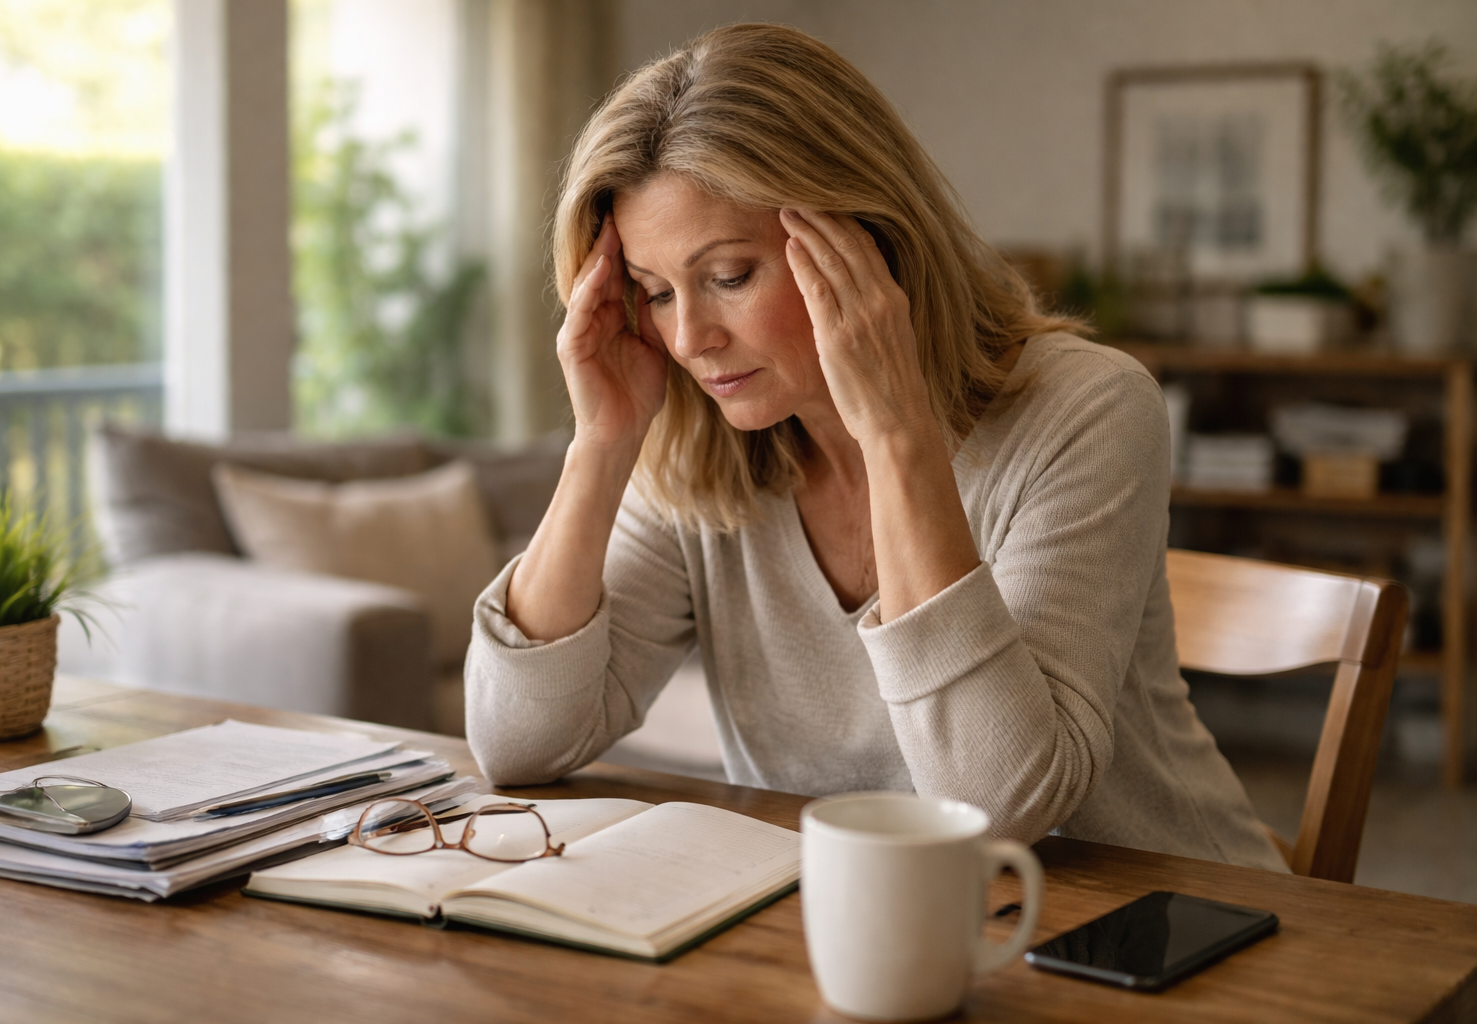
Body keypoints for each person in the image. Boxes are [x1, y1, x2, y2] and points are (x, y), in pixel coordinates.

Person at [464, 23, 1284, 870]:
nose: (690, 339)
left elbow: (999, 803)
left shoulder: (1089, 409)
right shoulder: (696, 451)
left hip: (1159, 925)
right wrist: (601, 444)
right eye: (656, 292)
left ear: (867, 237)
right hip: (863, 926)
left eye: (729, 277)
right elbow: (515, 744)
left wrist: (896, 435)